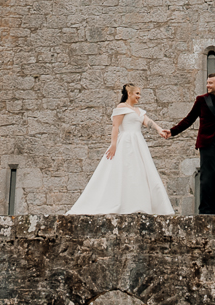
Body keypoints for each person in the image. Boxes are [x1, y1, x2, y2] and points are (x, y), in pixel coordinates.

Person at [65, 84, 175, 215]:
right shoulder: (121, 107)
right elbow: (115, 127)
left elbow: (148, 121)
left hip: (138, 143)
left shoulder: (139, 111)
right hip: (125, 143)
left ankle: (139, 204)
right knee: (123, 171)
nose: (139, 96)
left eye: (140, 94)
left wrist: (159, 130)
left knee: (139, 172)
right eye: (137, 93)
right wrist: (113, 145)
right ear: (129, 93)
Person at [165, 73, 215, 215]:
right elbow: (189, 119)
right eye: (207, 83)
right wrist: (172, 131)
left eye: (210, 83)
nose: (207, 85)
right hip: (207, 143)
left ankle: (214, 209)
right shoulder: (201, 100)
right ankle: (204, 210)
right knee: (207, 176)